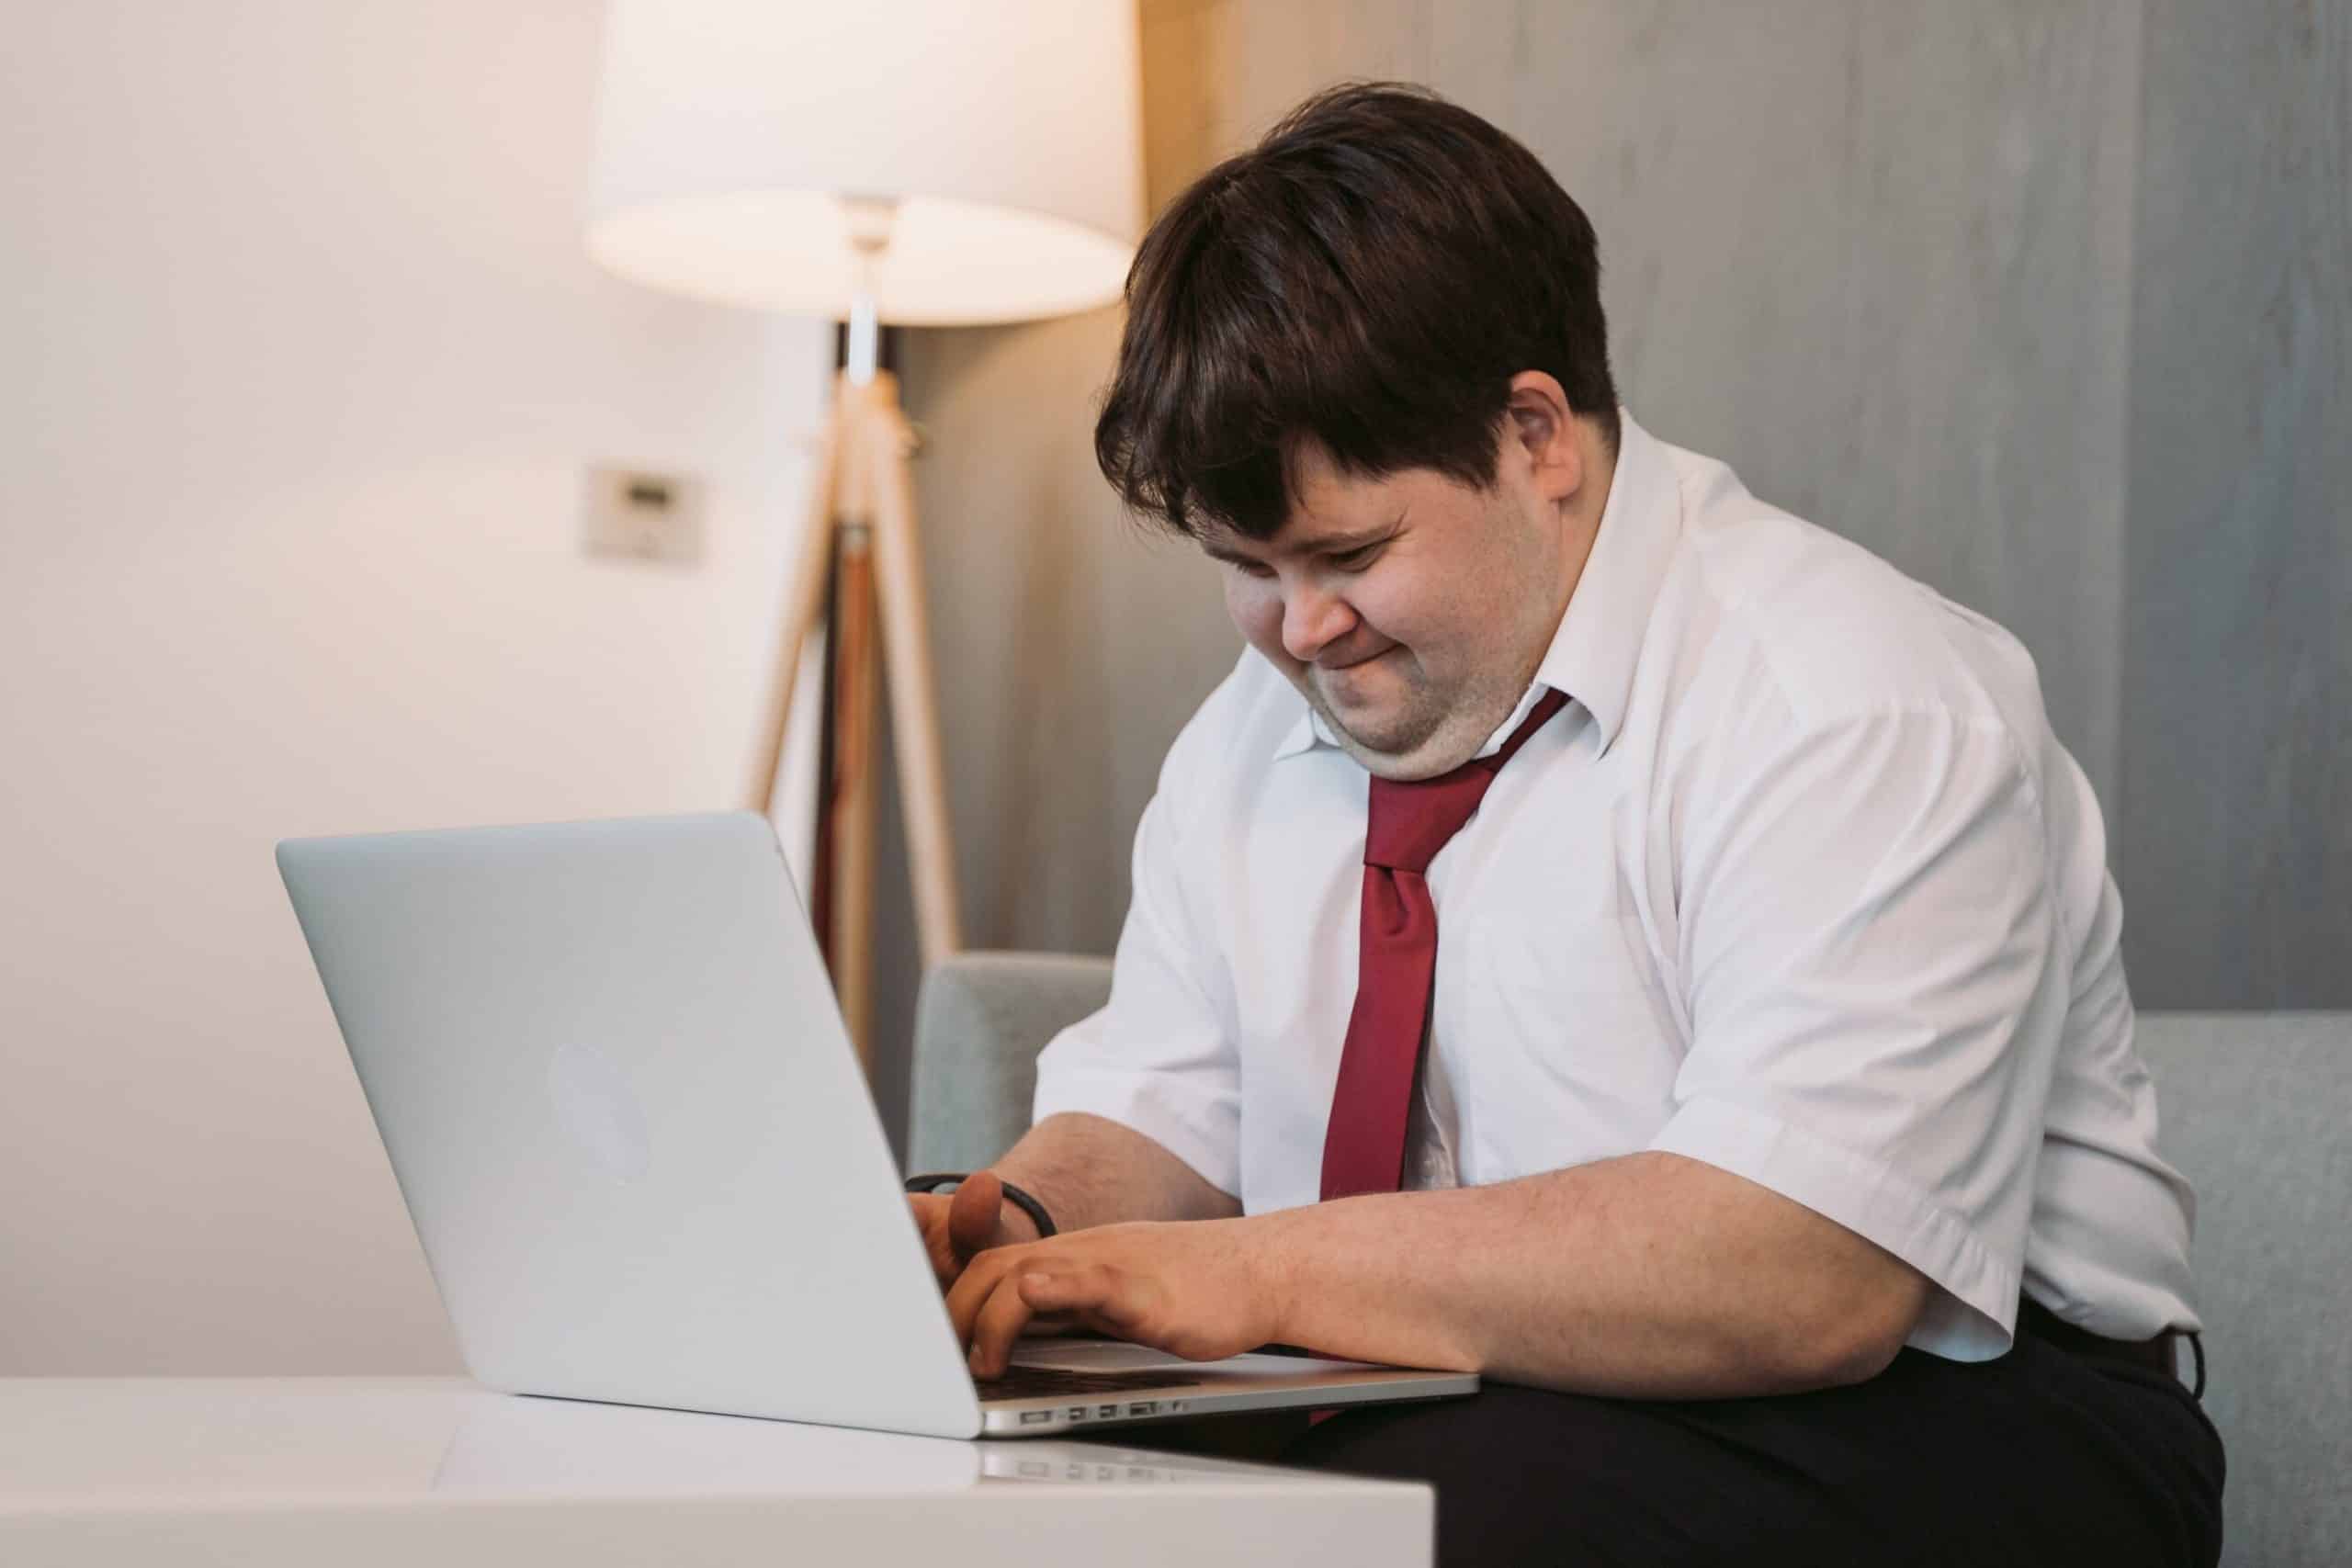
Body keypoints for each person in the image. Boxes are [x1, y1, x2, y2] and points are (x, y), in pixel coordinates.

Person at [907, 82, 2224, 1565]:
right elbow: (1163, 1101)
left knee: (1412, 1519)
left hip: (1971, 1418)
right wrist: (1016, 1234)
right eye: (1247, 566)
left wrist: (1255, 1276)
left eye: (1348, 551)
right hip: (1467, 1384)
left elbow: (1804, 1274)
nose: (1301, 627)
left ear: (1537, 433)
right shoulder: (1256, 720)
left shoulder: (1854, 702)